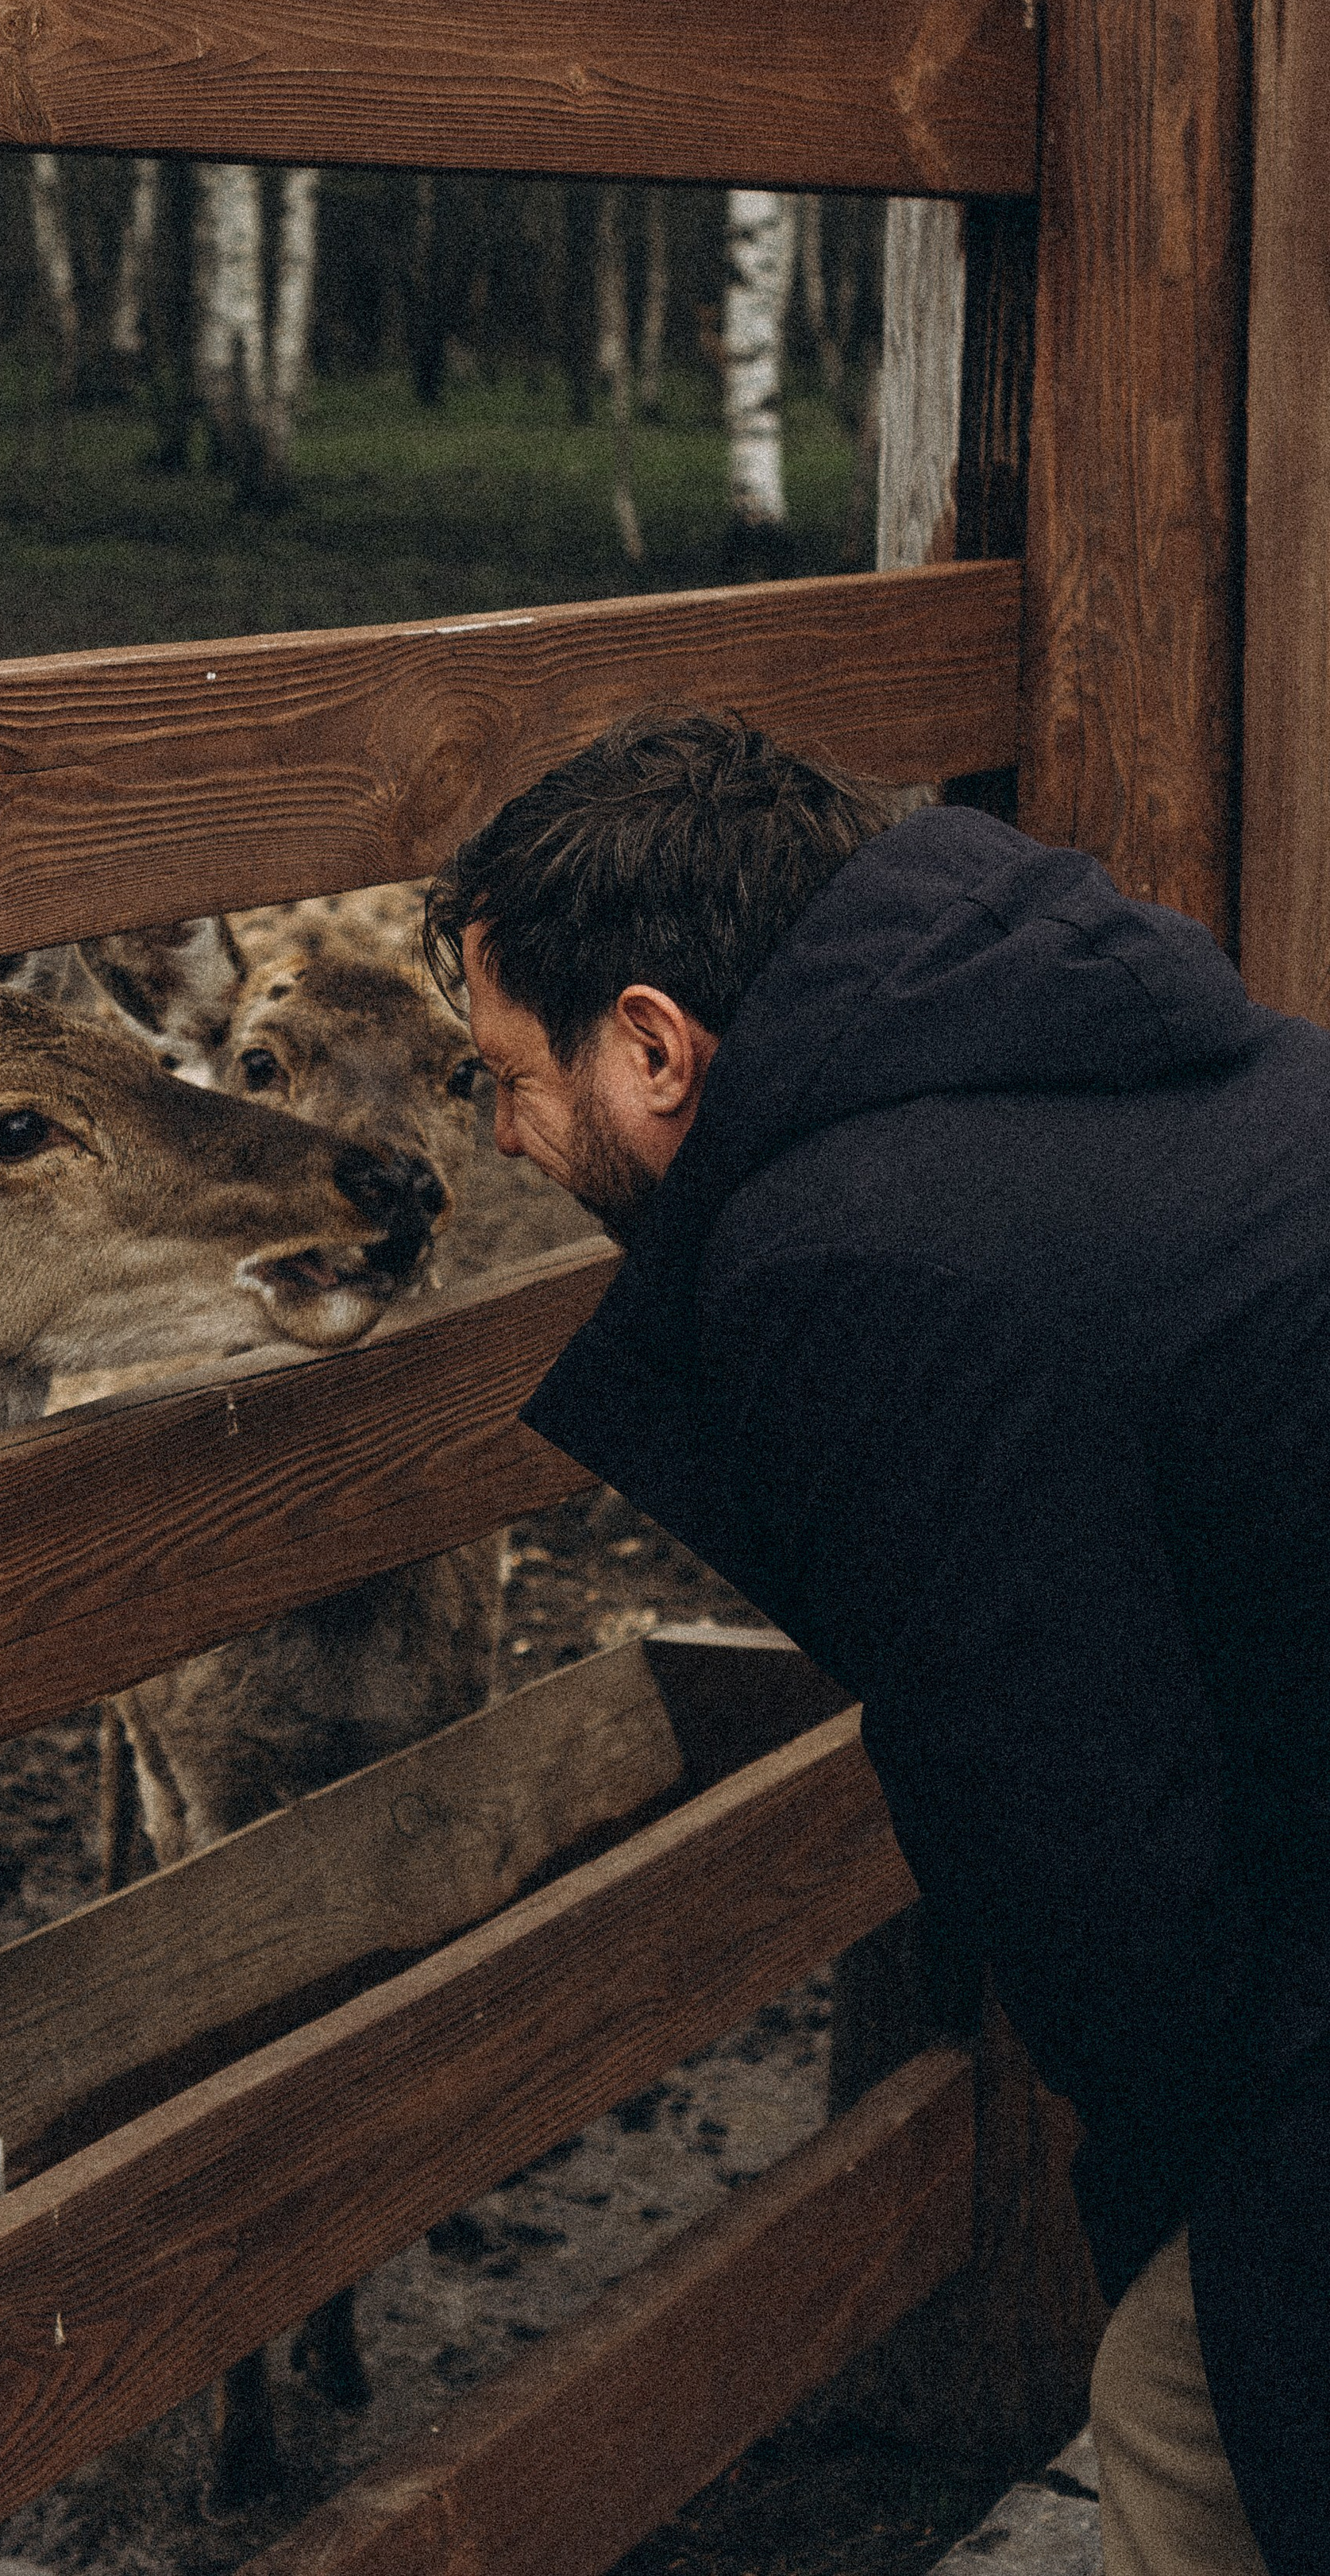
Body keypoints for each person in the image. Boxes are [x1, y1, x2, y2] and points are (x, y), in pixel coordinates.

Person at [424, 704, 1330, 2576]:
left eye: (498, 1074)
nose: (495, 1135)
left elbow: (1080, 1831)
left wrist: (1200, 2184)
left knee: (1186, 2413)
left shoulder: (854, 1272)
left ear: (656, 1046)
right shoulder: (1121, 1044)